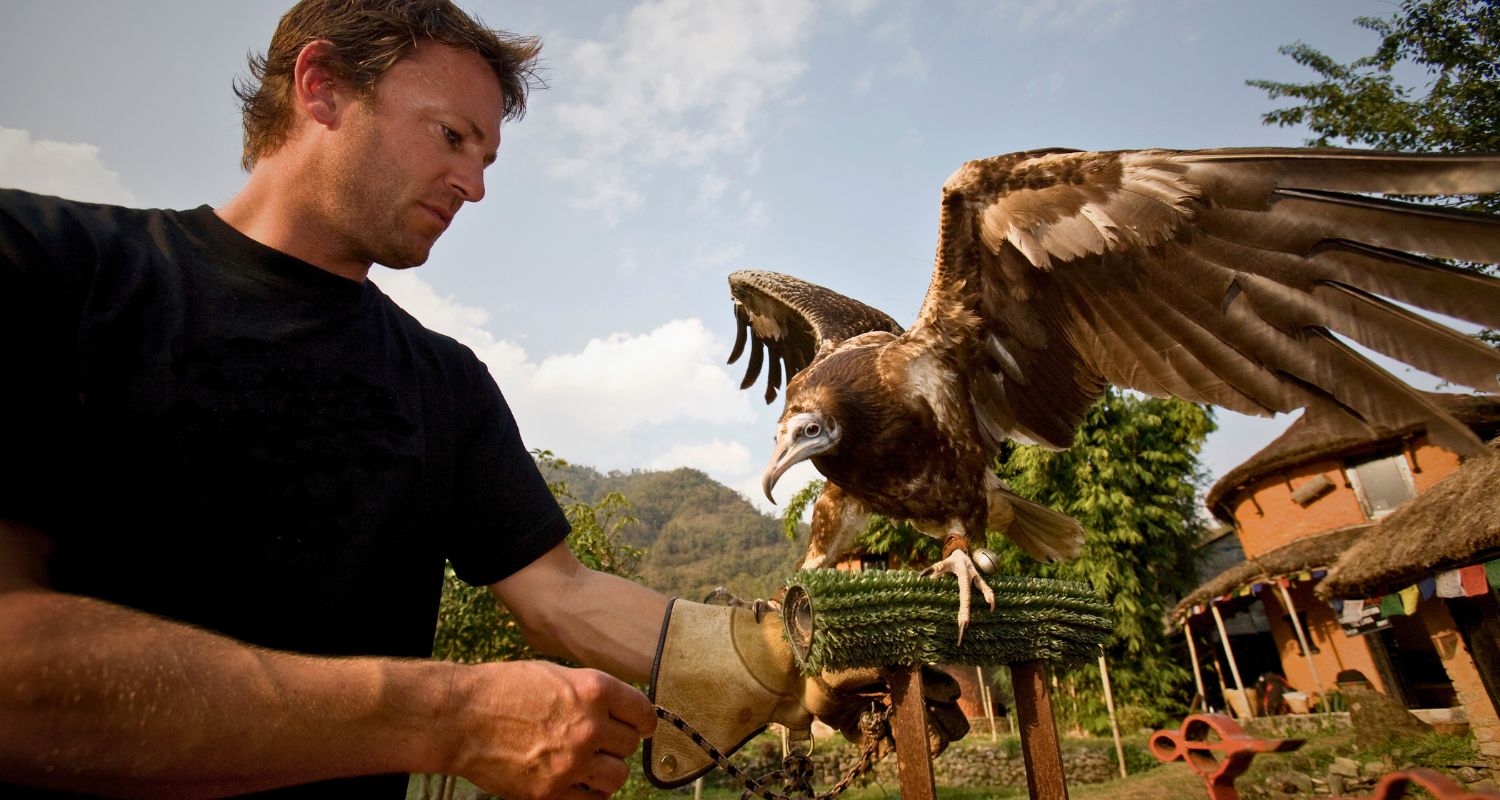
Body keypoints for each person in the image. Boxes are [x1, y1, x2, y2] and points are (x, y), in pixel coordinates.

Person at [0, 3, 965, 797]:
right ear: (321, 86)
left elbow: (561, 594)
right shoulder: (52, 267)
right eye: (452, 136)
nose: (474, 183)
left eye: (489, 157)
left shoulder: (442, 380)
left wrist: (777, 658)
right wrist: (451, 715)